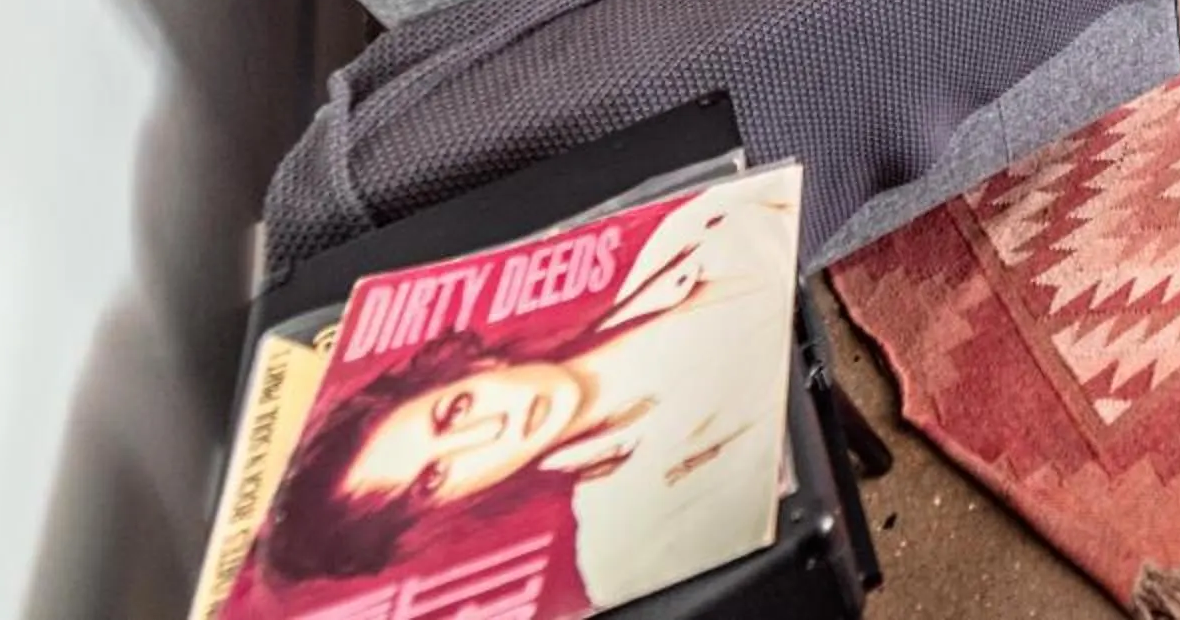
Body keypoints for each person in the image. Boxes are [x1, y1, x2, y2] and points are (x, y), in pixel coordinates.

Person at [254, 174, 799, 605]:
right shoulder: (621, 537)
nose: (492, 430)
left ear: (471, 366)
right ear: (453, 507)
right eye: (434, 477)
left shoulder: (674, 239)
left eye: (454, 411)